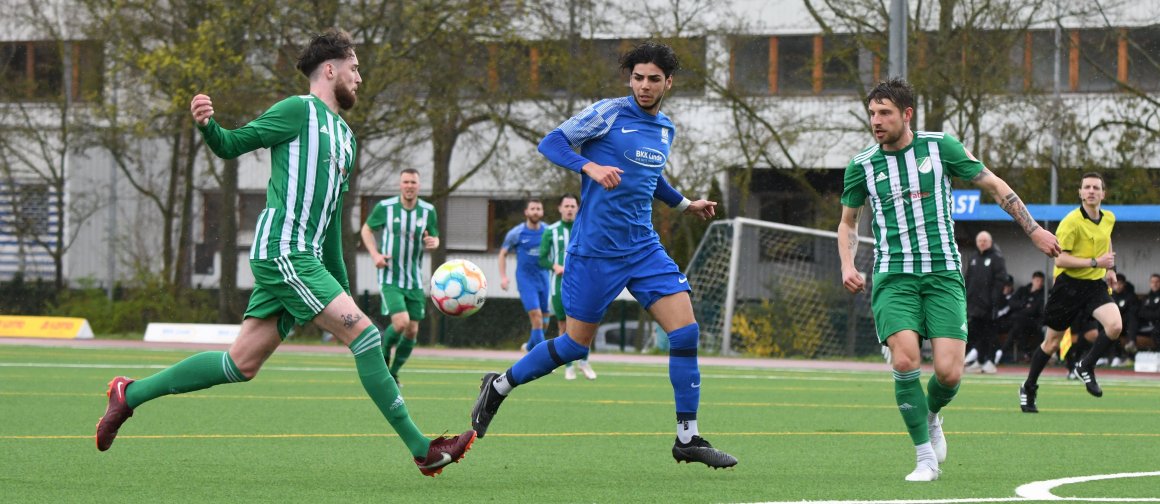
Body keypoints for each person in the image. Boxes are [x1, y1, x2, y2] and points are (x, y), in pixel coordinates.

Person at [94, 29, 474, 477]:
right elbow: (232, 144)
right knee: (368, 337)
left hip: (306, 258)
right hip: (283, 251)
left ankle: (128, 395)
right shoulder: (299, 110)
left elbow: (332, 220)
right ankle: (422, 451)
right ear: (329, 70)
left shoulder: (348, 139)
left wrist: (341, 289)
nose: (360, 78)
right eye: (354, 68)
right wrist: (207, 126)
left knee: (240, 364)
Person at [471, 41, 737, 468]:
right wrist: (587, 166)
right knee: (575, 346)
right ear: (629, 79)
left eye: (653, 79)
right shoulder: (608, 113)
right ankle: (499, 386)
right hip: (595, 251)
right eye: (637, 78)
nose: (644, 86)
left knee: (685, 333)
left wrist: (685, 203)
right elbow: (551, 142)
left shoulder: (665, 128)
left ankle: (687, 438)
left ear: (668, 82)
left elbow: (651, 177)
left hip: (643, 247)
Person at [837, 78, 1059, 482]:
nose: (876, 121)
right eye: (872, 113)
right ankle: (924, 458)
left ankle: (933, 414)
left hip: (942, 275)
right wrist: (847, 264)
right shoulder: (862, 165)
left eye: (885, 113)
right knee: (905, 360)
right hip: (894, 277)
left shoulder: (941, 147)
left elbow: (994, 185)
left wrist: (1034, 230)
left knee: (949, 373)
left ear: (907, 114)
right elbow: (847, 223)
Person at [1019, 172, 1122, 413]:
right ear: (1080, 192)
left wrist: (1110, 269)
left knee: (1115, 326)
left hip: (1095, 286)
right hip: (1068, 287)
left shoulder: (1109, 218)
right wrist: (1096, 263)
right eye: (1087, 187)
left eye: (1096, 187)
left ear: (1103, 193)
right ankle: (1029, 386)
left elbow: (1106, 240)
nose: (1091, 191)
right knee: (1052, 343)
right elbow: (1060, 259)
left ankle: (1086, 366)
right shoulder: (1071, 222)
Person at [359, 168, 439, 384]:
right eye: (406, 182)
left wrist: (434, 242)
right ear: (400, 185)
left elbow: (434, 237)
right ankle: (383, 357)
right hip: (390, 276)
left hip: (413, 279)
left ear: (419, 186)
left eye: (413, 182)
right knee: (402, 322)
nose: (409, 186)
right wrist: (375, 254)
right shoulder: (385, 208)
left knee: (412, 330)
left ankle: (393, 373)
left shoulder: (428, 211)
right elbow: (366, 230)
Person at [539, 194, 597, 381]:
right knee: (564, 325)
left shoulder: (585, 228)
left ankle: (584, 362)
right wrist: (554, 266)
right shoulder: (551, 231)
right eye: (567, 205)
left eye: (573, 205)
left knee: (587, 323)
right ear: (560, 208)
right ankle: (568, 366)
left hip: (584, 284)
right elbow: (541, 258)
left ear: (578, 208)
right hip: (560, 285)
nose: (570, 209)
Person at [498, 198, 550, 351]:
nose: (536, 212)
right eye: (532, 209)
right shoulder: (516, 233)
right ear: (526, 212)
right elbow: (502, 254)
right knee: (537, 317)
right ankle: (542, 356)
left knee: (544, 321)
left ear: (542, 212)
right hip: (526, 280)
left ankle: (529, 346)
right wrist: (503, 277)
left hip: (544, 278)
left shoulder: (548, 231)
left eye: (538, 209)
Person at [964, 231, 1007, 373]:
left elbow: (1000, 281)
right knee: (976, 333)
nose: (982, 243)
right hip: (974, 305)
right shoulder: (973, 258)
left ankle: (990, 361)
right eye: (980, 240)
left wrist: (994, 300)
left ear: (990, 242)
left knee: (989, 334)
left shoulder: (996, 258)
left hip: (989, 305)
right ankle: (980, 360)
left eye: (985, 240)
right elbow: (968, 279)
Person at [999, 271, 1046, 363]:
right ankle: (1024, 353)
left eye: (1041, 281)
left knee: (1019, 324)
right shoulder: (1023, 290)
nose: (1039, 283)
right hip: (1015, 321)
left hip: (1031, 322)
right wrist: (1024, 304)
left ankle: (1002, 352)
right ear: (1032, 280)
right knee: (1016, 326)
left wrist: (1022, 307)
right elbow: (1012, 303)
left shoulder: (1042, 294)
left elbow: (1034, 310)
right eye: (1037, 280)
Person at [1109, 273, 1138, 366]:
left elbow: (1132, 312)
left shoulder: (1130, 296)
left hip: (1127, 326)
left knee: (1131, 319)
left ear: (1124, 284)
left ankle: (1131, 344)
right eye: (1116, 284)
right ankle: (1115, 357)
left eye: (1120, 284)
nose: (1118, 286)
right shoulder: (1109, 296)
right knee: (1112, 328)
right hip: (1115, 324)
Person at [1136, 273, 1160, 351]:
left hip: (1157, 325)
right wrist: (1153, 313)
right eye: (1152, 282)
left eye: (1157, 282)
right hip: (1146, 324)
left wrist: (1148, 313)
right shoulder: (1147, 297)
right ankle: (1130, 356)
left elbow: (1158, 314)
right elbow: (1140, 313)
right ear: (1150, 283)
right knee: (1130, 328)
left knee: (1156, 331)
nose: (1155, 284)